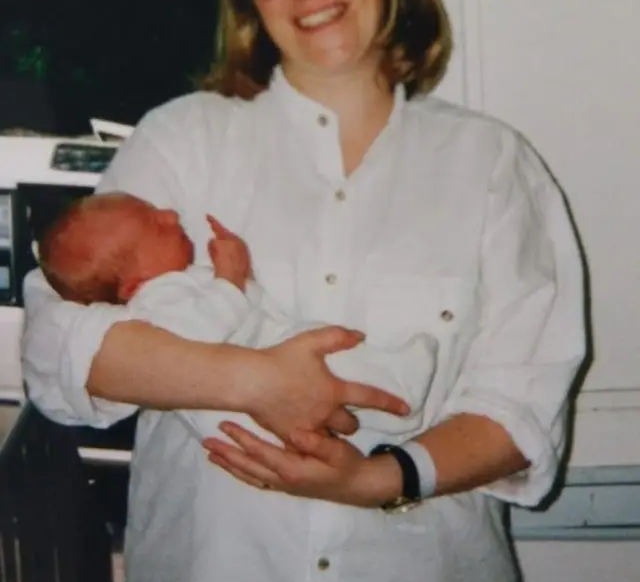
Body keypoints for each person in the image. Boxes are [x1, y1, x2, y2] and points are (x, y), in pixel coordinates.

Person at [22, 0, 585, 582]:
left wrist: (379, 477)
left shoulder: (494, 167)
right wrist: (256, 382)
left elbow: (521, 408)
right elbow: (57, 350)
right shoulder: (183, 141)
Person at [37, 190, 438, 444]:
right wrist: (230, 277)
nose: (171, 216)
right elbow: (197, 336)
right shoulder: (156, 302)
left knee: (324, 353)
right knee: (334, 360)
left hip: (258, 386)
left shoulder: (173, 285)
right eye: (155, 225)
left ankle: (393, 407)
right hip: (242, 406)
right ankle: (403, 386)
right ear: (131, 284)